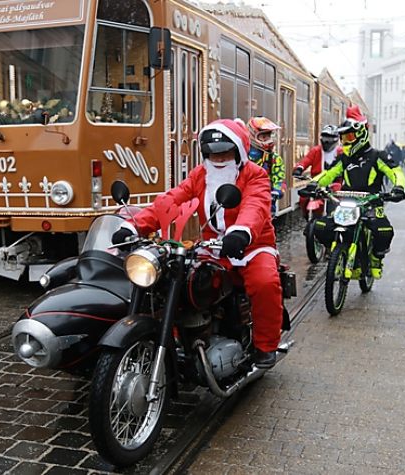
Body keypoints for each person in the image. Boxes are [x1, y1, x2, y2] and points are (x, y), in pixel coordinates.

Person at [111, 119, 283, 368]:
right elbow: (171, 199)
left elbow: (255, 207)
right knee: (177, 278)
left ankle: (265, 346)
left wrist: (241, 233)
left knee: (265, 282)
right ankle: (186, 334)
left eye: (225, 150)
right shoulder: (200, 175)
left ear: (238, 149)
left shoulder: (255, 175)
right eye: (213, 153)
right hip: (213, 245)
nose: (219, 157)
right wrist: (135, 225)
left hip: (252, 245)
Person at [305, 106, 405, 279]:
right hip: (346, 201)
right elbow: (328, 175)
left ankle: (375, 259)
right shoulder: (344, 158)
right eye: (343, 137)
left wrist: (398, 188)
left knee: (382, 230)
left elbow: (396, 173)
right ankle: (337, 251)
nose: (345, 141)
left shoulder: (378, 156)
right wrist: (313, 184)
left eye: (349, 136)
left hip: (372, 202)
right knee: (321, 227)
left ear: (361, 135)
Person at [292, 124, 341, 218]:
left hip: (335, 183)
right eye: (325, 137)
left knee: (338, 202)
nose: (327, 141)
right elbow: (306, 161)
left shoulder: (341, 152)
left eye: (330, 138)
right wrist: (299, 169)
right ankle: (306, 216)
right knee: (303, 198)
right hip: (316, 183)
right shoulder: (316, 150)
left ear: (336, 139)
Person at [246, 116, 285, 214]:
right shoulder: (242, 157)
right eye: (264, 137)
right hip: (244, 202)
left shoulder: (275, 159)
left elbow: (280, 178)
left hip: (266, 204)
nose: (268, 140)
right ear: (252, 135)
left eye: (269, 136)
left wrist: (277, 190)